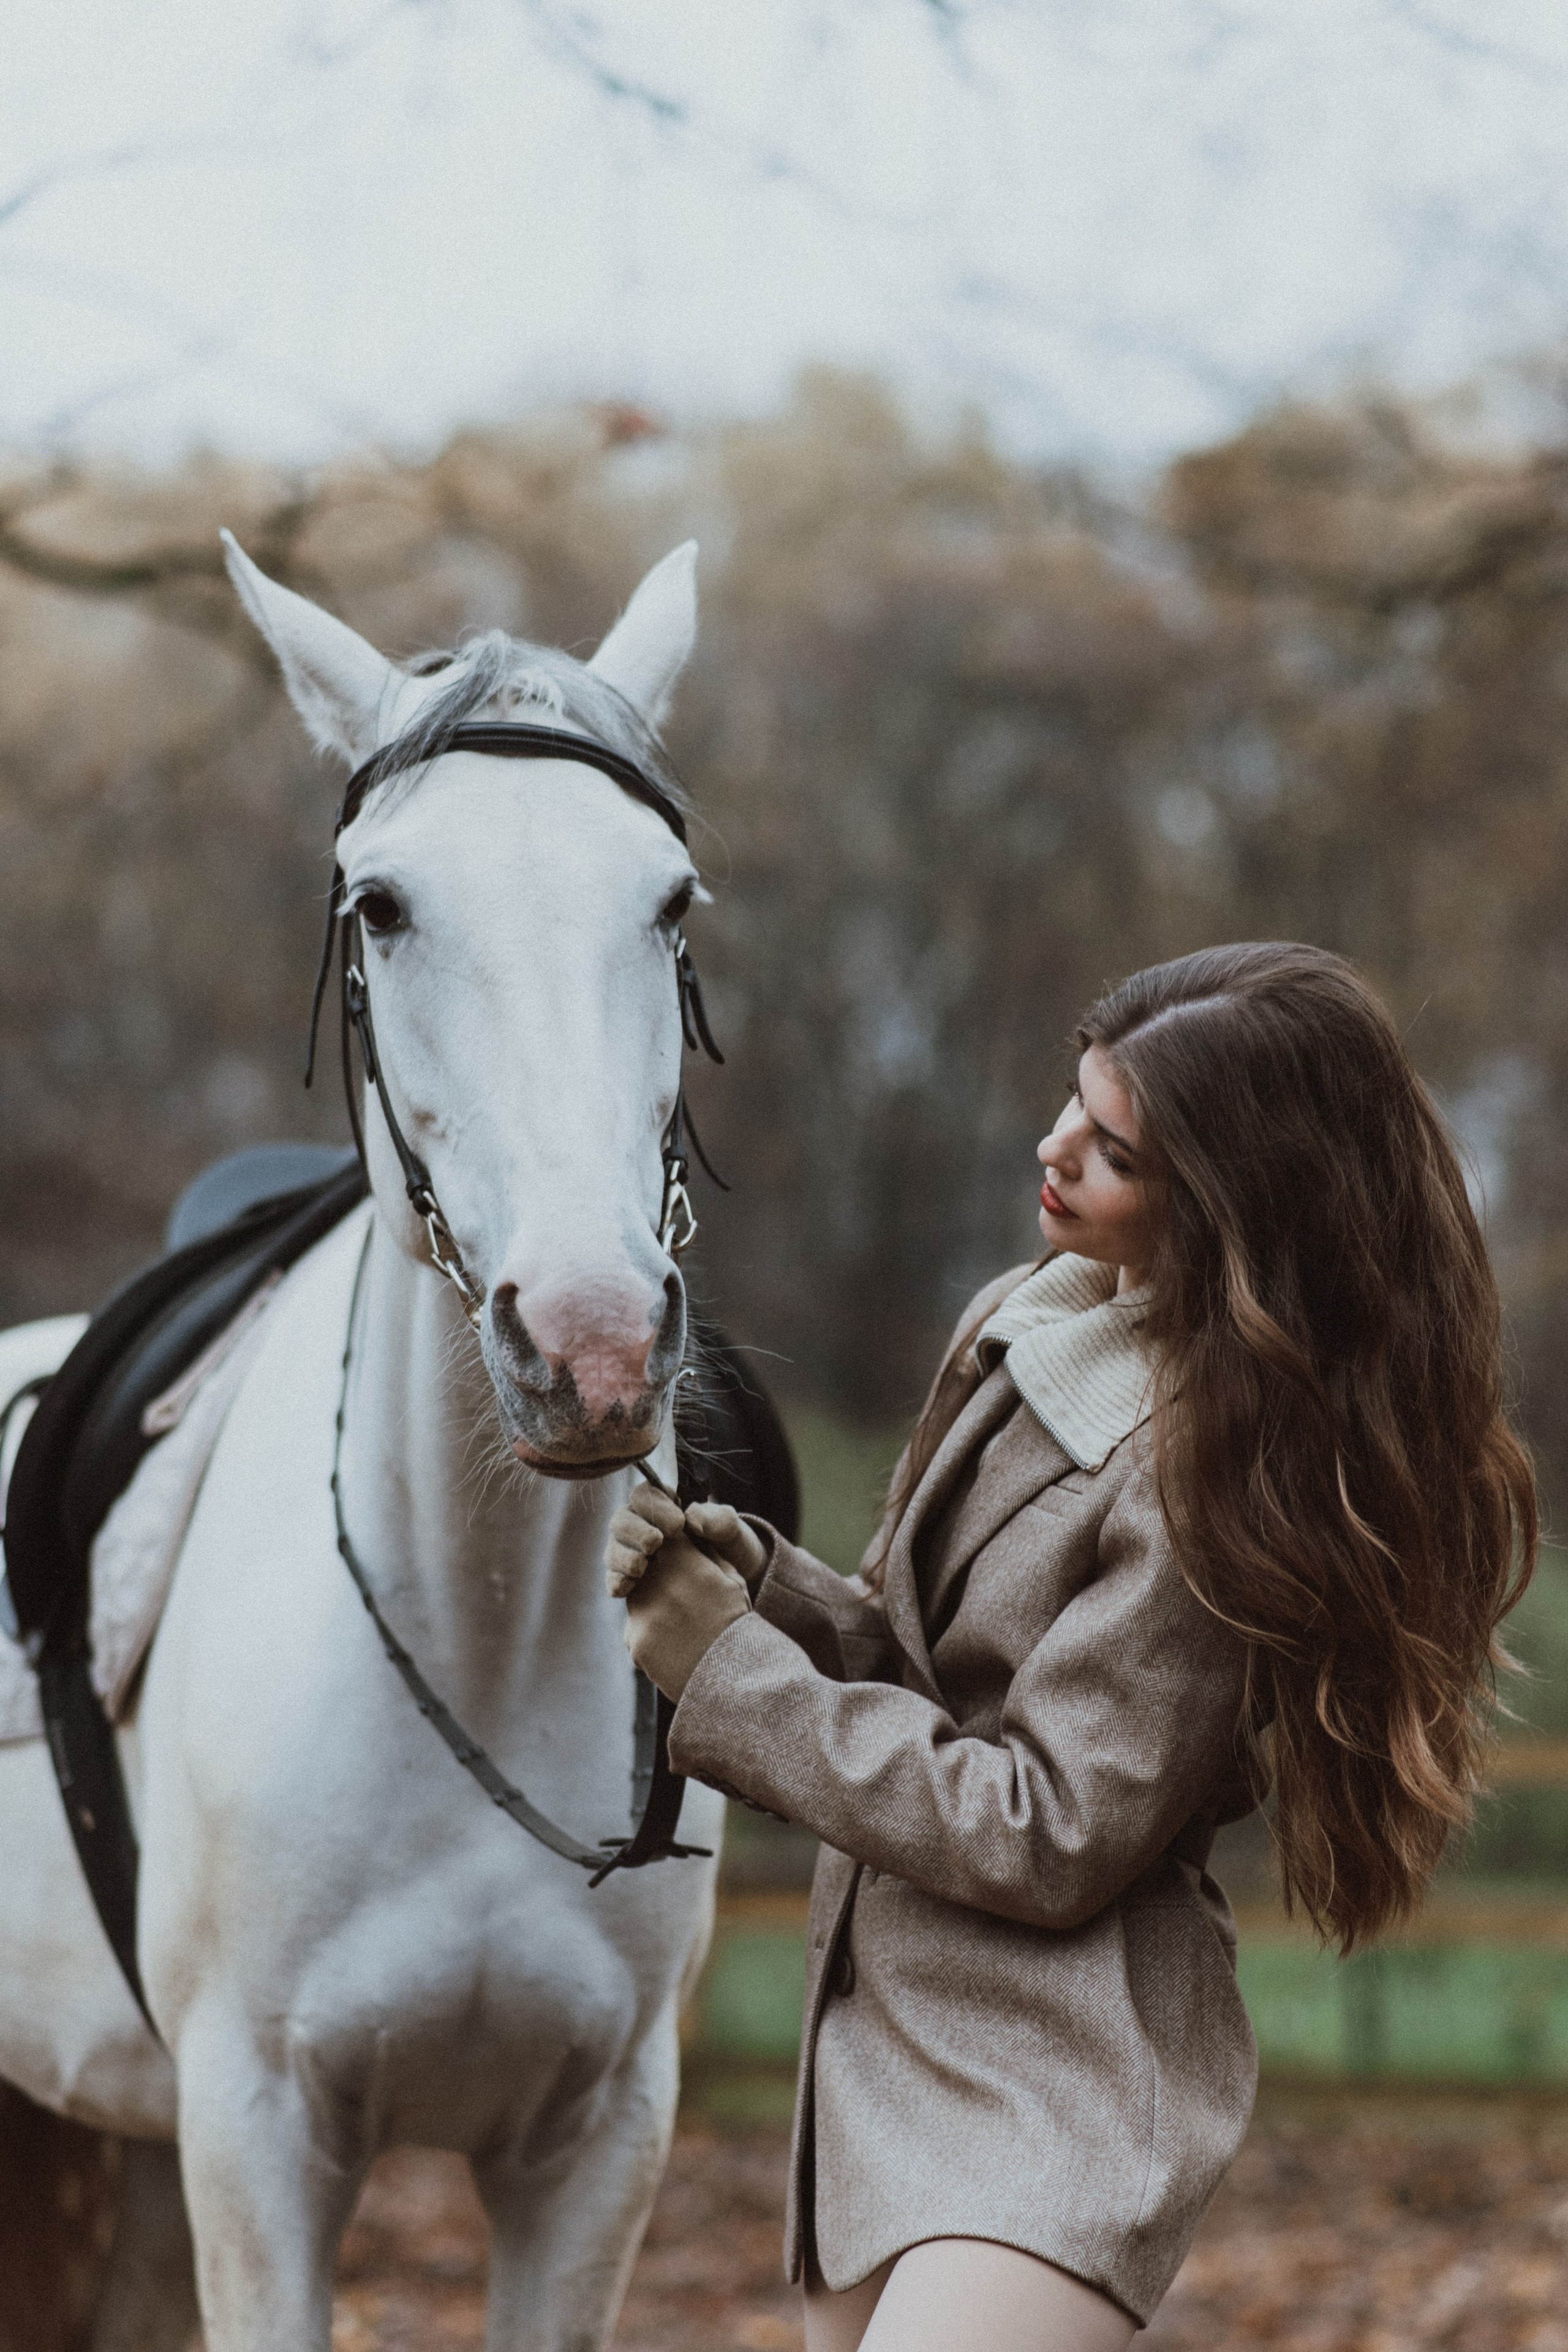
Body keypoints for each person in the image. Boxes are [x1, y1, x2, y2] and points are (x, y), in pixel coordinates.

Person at [606, 942, 1536, 2352]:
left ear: (1226, 1204)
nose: (1052, 1150)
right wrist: (769, 1596)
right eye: (1070, 1103)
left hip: (1061, 2071)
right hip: (879, 2044)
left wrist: (730, 1676)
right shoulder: (1020, 1320)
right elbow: (922, 1669)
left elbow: (1047, 1829)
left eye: (1113, 1151)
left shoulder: (1215, 1472)